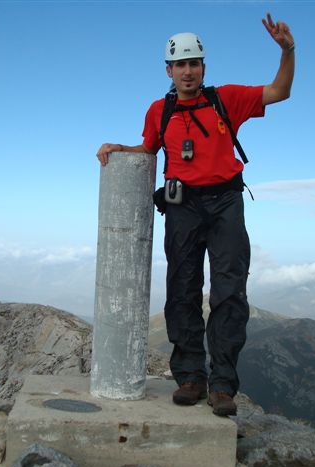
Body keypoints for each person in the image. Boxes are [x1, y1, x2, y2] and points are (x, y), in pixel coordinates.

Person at [96, 13, 295, 416]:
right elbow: (148, 148)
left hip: (225, 203)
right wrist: (120, 147)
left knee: (229, 292)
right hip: (182, 206)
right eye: (180, 64)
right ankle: (190, 377)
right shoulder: (160, 110)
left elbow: (279, 91)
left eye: (194, 63)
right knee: (182, 290)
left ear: (203, 67)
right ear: (168, 70)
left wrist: (287, 50)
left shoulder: (226, 99)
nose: (187, 71)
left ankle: (222, 385)